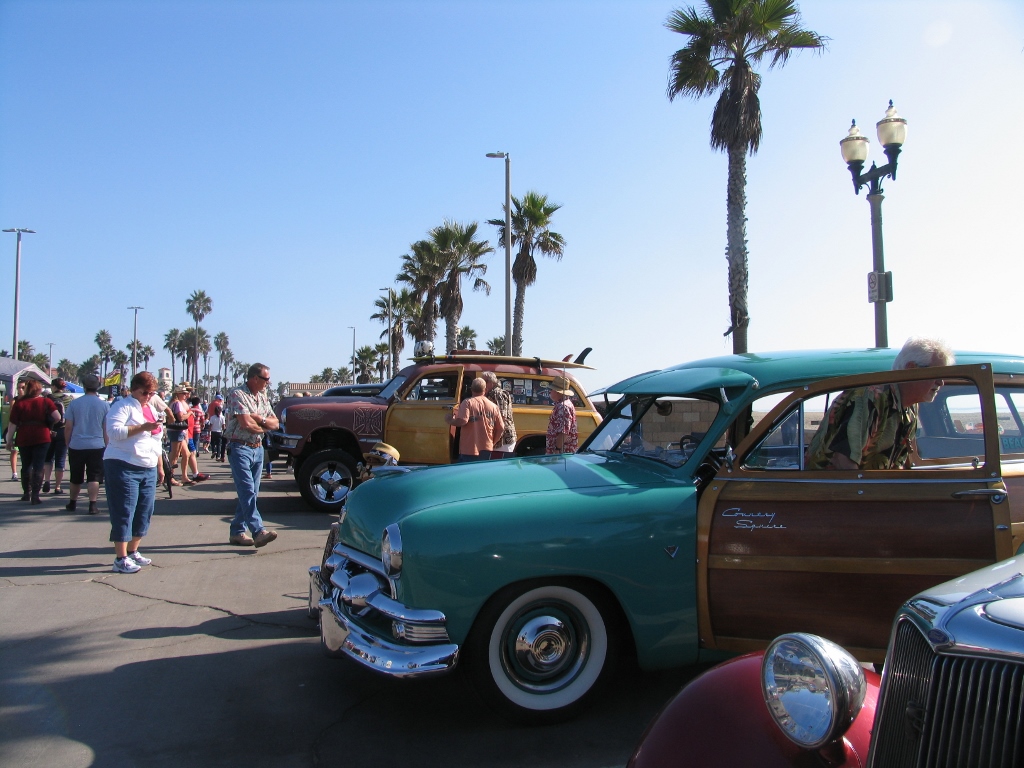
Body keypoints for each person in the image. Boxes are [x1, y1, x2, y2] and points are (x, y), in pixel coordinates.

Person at [805, 337, 955, 471]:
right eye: (936, 374)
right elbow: (843, 462)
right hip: (830, 491)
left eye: (944, 376)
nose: (941, 383)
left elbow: (896, 466)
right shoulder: (870, 397)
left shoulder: (910, 408)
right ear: (911, 369)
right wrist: (864, 493)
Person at [104, 371, 163, 573]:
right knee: (124, 511)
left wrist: (159, 465)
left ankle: (133, 551)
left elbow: (157, 439)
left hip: (148, 465)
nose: (148, 396)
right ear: (133, 389)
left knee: (144, 511)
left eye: (152, 393)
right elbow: (113, 432)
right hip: (123, 464)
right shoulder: (122, 406)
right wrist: (142, 427)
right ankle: (120, 558)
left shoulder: (152, 409)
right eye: (144, 392)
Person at [223, 363, 279, 548]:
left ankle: (237, 531)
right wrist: (263, 427)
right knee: (247, 490)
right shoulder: (237, 394)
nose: (268, 382)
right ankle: (258, 531)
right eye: (266, 379)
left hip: (257, 448)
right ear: (255, 378)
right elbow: (245, 423)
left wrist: (259, 419)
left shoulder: (262, 397)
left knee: (251, 493)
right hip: (240, 448)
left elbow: (275, 423)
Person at [6, 378, 61, 504]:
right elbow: (57, 417)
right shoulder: (46, 401)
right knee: (38, 465)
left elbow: (12, 424)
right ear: (39, 389)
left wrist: (9, 440)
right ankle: (35, 495)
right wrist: (49, 424)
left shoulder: (20, 403)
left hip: (24, 435)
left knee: (26, 464)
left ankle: (27, 492)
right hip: (42, 435)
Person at [64, 373, 110, 514]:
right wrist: (108, 446)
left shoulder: (74, 404)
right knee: (94, 477)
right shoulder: (104, 405)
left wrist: (67, 443)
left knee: (75, 476)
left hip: (77, 444)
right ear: (97, 387)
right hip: (97, 445)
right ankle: (92, 504)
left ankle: (72, 502)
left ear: (84, 386)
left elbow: (68, 427)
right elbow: (106, 429)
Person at [445, 376, 504, 462]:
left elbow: (463, 421)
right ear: (485, 390)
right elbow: (501, 427)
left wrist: (450, 420)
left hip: (469, 450)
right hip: (486, 450)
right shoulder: (493, 406)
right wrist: (492, 442)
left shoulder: (467, 402)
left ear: (471, 389)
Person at [42, 378, 74, 494]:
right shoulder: (69, 399)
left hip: (49, 430)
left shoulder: (47, 399)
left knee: (48, 458)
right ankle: (57, 486)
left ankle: (47, 480)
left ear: (54, 387)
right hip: (63, 430)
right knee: (60, 459)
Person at [482, 371, 517, 460]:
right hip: (499, 438)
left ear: (492, 382)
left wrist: (494, 439)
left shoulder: (497, 394)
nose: (483, 384)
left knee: (500, 464)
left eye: (485, 381)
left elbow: (502, 417)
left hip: (503, 439)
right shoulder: (491, 394)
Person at [168, 385, 194, 486]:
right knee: (175, 455)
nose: (185, 395)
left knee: (186, 454)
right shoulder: (177, 403)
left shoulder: (173, 403)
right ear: (178, 394)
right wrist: (190, 413)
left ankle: (184, 476)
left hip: (178, 431)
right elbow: (181, 417)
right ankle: (170, 477)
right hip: (177, 431)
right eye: (183, 393)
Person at [545, 375, 579, 455]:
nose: (550, 392)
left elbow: (563, 432)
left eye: (551, 390)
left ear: (557, 391)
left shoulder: (563, 407)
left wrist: (557, 449)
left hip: (562, 452)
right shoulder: (565, 404)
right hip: (564, 451)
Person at [7, 379, 26, 481]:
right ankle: (14, 473)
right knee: (14, 451)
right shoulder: (14, 401)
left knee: (26, 452)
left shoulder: (30, 400)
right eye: (19, 387)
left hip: (27, 429)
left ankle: (27, 471)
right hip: (16, 428)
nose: (20, 390)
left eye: (23, 387)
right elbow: (12, 418)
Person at [208, 395, 225, 462]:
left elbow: (210, 425)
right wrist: (224, 431)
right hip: (219, 432)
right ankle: (218, 456)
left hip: (213, 432)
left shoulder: (212, 417)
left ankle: (213, 451)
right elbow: (223, 426)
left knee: (212, 443)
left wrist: (209, 431)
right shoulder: (222, 417)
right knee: (219, 444)